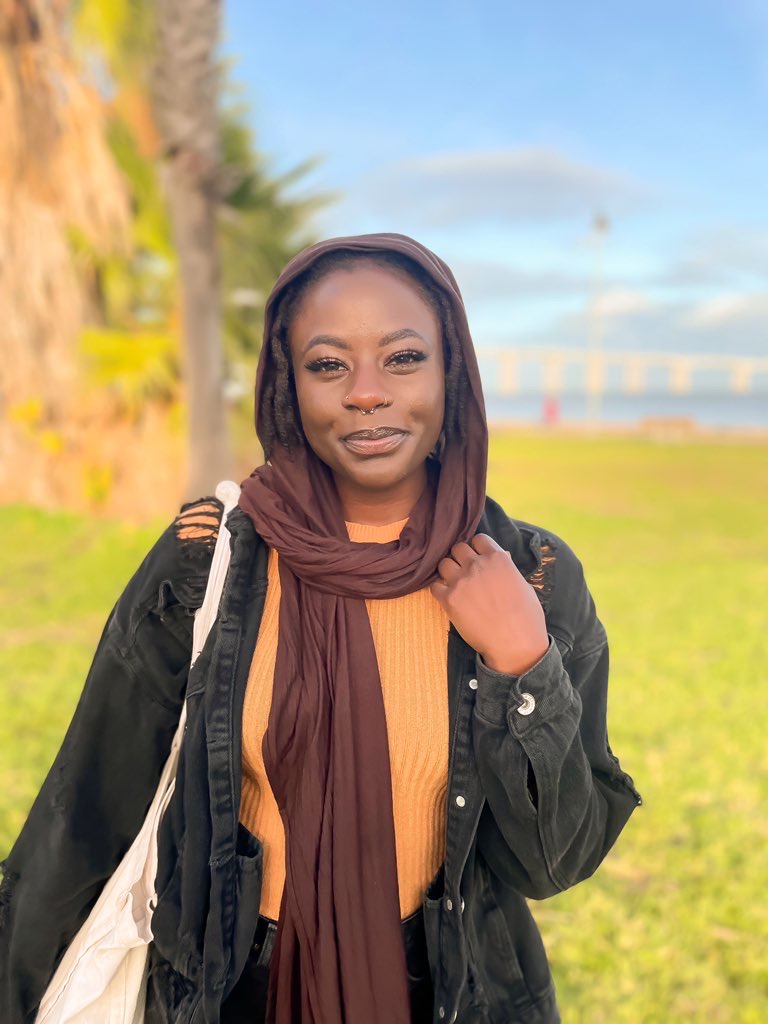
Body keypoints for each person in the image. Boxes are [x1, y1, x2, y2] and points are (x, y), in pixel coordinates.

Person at [0, 233, 641, 1024]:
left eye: (404, 358)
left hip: (451, 988)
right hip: (229, 985)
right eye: (328, 364)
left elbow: (555, 861)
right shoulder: (209, 560)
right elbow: (86, 813)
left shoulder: (532, 574)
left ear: (453, 374)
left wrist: (523, 661)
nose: (366, 393)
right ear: (288, 385)